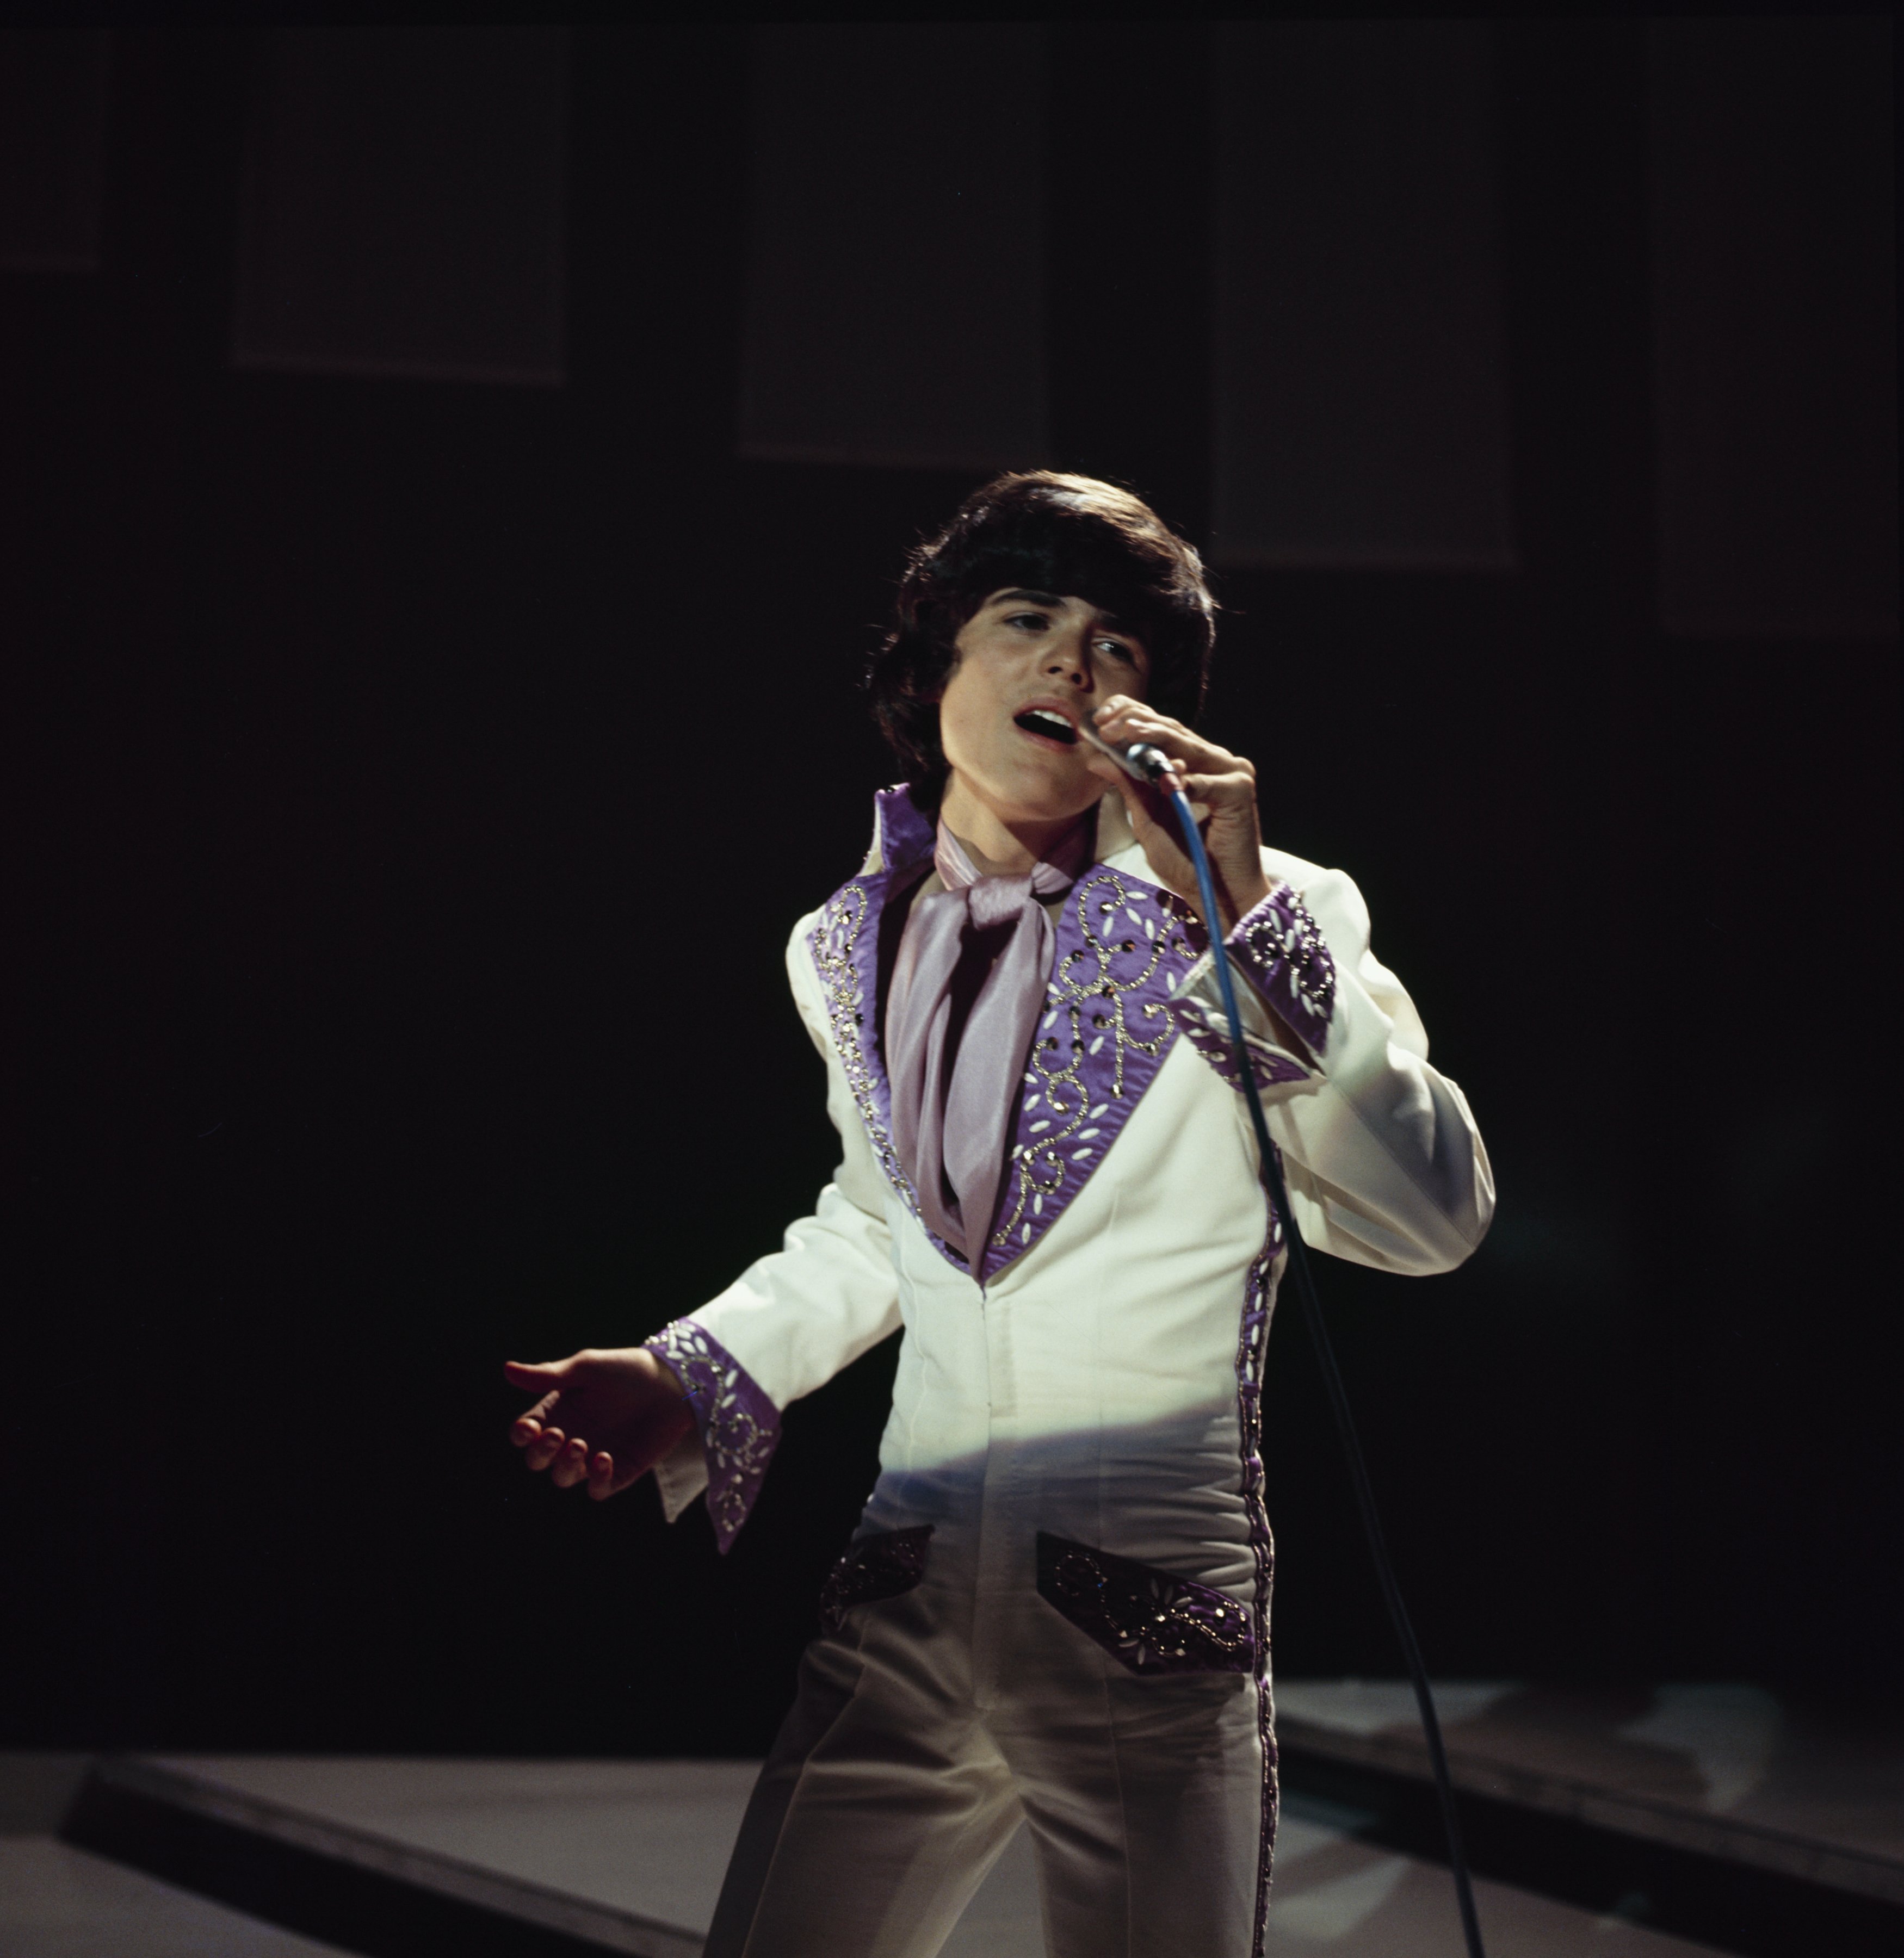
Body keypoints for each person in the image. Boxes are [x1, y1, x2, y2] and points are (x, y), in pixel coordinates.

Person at [505, 473, 1493, 1958]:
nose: (1073, 666)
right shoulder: (843, 939)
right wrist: (695, 1366)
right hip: (903, 1590)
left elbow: (1431, 1217)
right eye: (1026, 619)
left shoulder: (1269, 908)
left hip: (1148, 1610)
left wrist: (1241, 924)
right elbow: (872, 1223)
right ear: (935, 669)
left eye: (1120, 648)